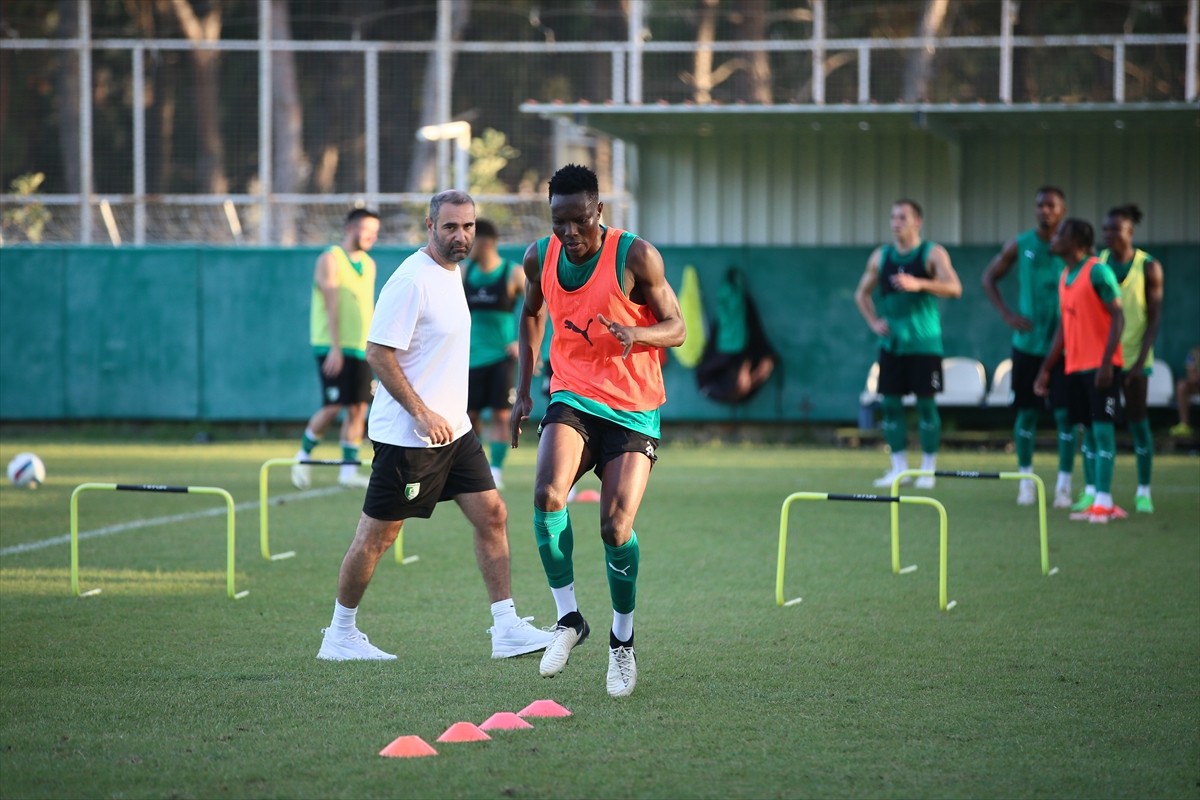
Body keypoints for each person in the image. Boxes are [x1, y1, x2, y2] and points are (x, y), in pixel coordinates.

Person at [317, 190, 553, 662]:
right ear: (430, 227)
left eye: (468, 226)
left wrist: (446, 415)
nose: (461, 236)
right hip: (409, 438)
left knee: (493, 514)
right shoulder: (411, 280)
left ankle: (506, 627)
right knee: (378, 537)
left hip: (456, 432)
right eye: (450, 227)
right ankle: (339, 634)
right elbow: (378, 353)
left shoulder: (453, 273)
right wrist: (422, 412)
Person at [510, 164, 686, 697]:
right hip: (571, 394)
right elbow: (531, 313)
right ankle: (568, 619)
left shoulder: (636, 256)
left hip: (633, 408)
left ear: (599, 211)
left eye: (580, 221)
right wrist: (524, 388)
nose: (569, 233)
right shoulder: (539, 257)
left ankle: (622, 641)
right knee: (547, 494)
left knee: (614, 527)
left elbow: (677, 328)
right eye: (558, 222)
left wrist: (636, 332)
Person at [853, 199, 963, 489]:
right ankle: (899, 469)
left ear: (917, 222)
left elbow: (955, 288)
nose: (896, 223)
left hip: (925, 345)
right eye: (893, 217)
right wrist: (874, 322)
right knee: (890, 405)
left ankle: (928, 470)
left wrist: (921, 283)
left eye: (903, 217)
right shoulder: (881, 257)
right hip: (892, 345)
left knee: (926, 405)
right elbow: (861, 294)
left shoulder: (932, 253)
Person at [981, 187, 1078, 508]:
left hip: (1064, 348)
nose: (1044, 211)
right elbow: (988, 278)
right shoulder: (1020, 244)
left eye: (1051, 205)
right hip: (1027, 346)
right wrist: (1006, 314)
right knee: (1026, 414)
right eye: (1040, 205)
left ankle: (1064, 486)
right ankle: (1025, 482)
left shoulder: (1072, 250)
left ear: (1063, 211)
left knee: (1065, 416)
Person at [1034, 218, 1126, 523]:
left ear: (1076, 242)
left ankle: (1105, 501)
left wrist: (1107, 363)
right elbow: (1064, 328)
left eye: (1060, 233)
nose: (1054, 237)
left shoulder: (1098, 271)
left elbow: (1118, 317)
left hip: (1101, 367)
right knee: (1087, 432)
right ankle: (1093, 494)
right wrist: (1046, 369)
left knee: (1102, 430)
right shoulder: (1065, 275)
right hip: (1075, 367)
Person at [292, 208, 380, 490]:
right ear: (351, 228)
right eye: (367, 230)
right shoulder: (330, 259)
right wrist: (335, 348)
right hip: (332, 346)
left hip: (361, 348)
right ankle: (302, 457)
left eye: (375, 232)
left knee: (358, 408)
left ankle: (348, 471)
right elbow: (331, 304)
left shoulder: (369, 264)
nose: (371, 236)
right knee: (332, 407)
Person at [1098, 204, 1163, 513]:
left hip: (1136, 360)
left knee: (1138, 423)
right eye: (1105, 229)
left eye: (1115, 229)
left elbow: (1154, 318)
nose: (1109, 234)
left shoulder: (1148, 267)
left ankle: (1144, 491)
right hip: (1105, 361)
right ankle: (1098, 492)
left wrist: (1139, 363)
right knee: (1101, 424)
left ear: (1130, 232)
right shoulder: (1099, 263)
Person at [463, 219, 524, 490]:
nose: (465, 243)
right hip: (470, 358)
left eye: (471, 238)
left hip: (501, 358)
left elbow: (541, 306)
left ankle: (496, 471)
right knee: (469, 417)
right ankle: (477, 467)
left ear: (485, 242)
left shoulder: (513, 273)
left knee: (501, 415)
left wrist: (522, 342)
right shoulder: (464, 273)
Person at [1170, 346, 1200, 437]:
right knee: (1181, 386)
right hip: (1197, 385)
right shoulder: (1194, 353)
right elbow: (1192, 377)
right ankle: (1184, 425)